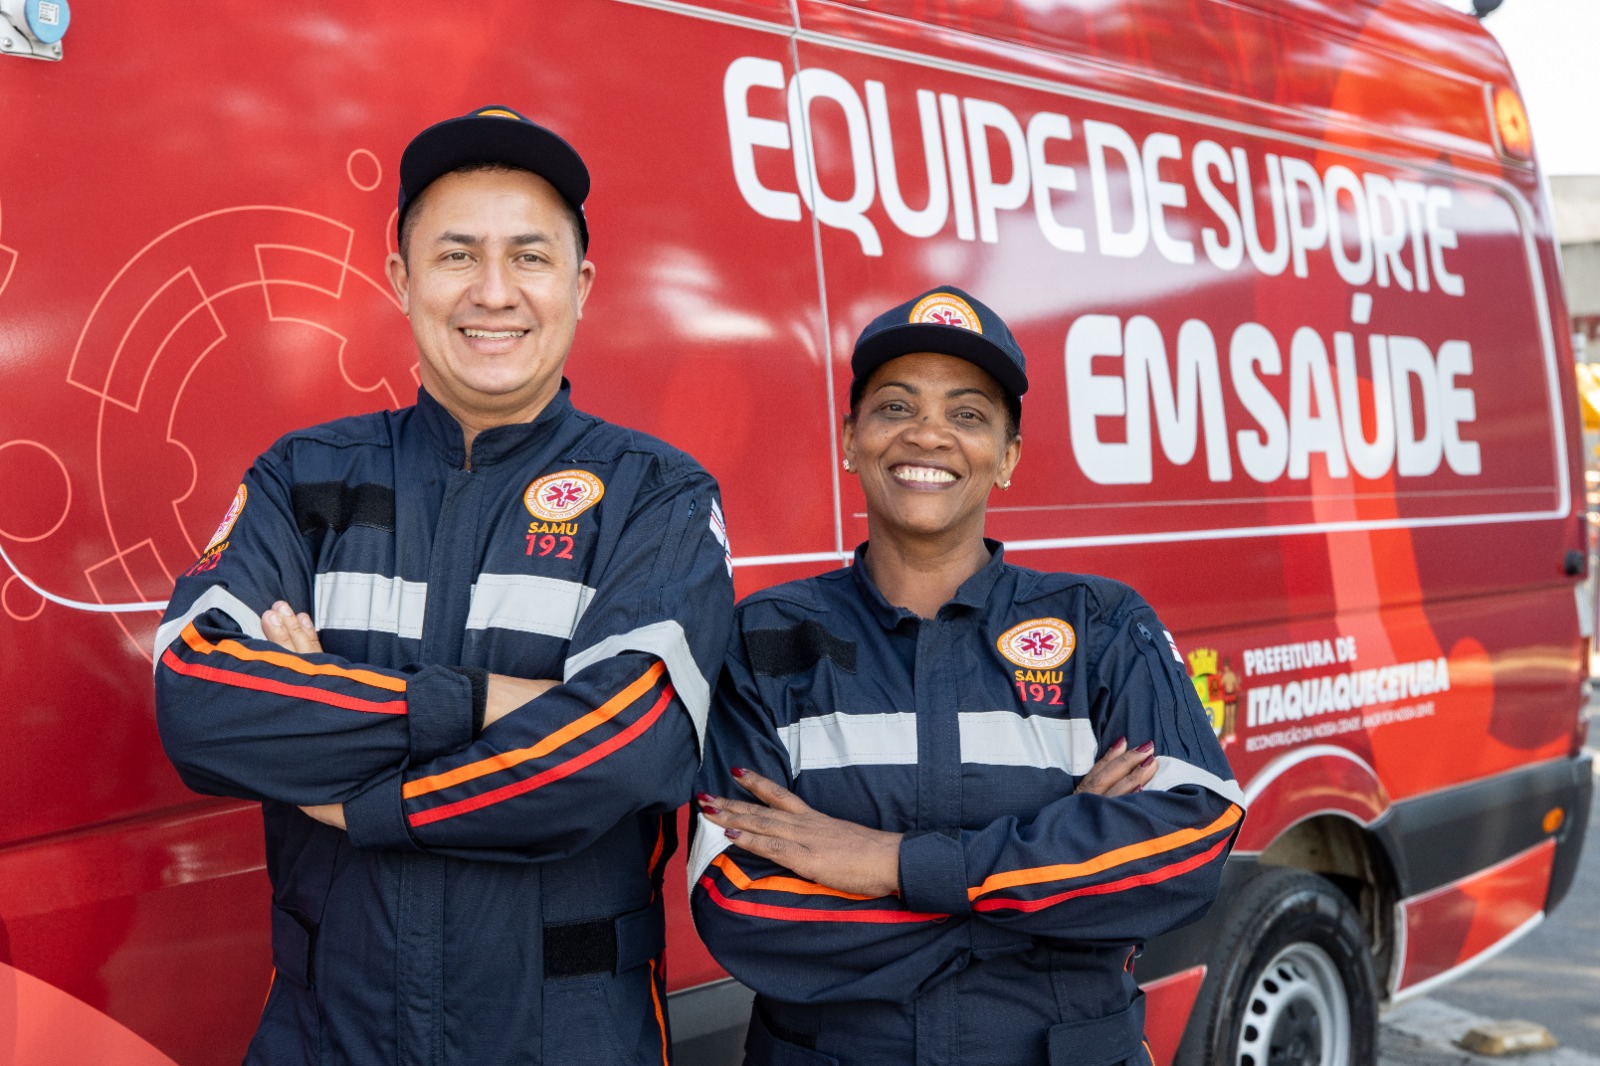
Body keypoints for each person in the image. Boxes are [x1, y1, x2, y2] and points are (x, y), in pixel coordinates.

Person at [154, 105, 734, 1065]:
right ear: (402, 280)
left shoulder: (657, 496)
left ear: (581, 286)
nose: (494, 292)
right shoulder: (305, 480)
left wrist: (358, 794)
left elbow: (626, 750)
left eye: (530, 257)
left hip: (565, 1042)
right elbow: (200, 701)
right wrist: (490, 703)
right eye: (457, 254)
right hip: (326, 1038)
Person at [690, 286, 1246, 1066]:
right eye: (895, 407)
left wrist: (892, 863)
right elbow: (741, 902)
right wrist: (1048, 892)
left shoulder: (1102, 624)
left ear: (1008, 457)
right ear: (850, 440)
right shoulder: (768, 635)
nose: (928, 434)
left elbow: (1189, 842)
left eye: (968, 414)